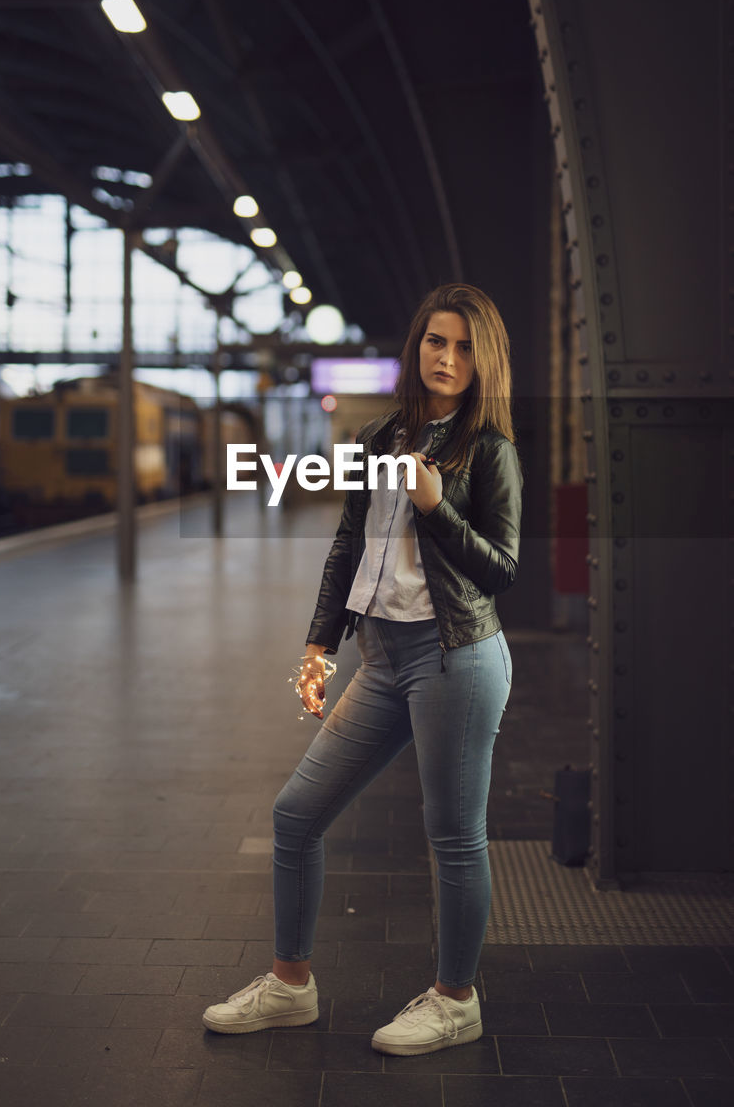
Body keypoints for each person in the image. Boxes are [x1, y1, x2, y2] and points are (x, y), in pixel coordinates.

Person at [202, 283, 523, 1057]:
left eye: (463, 346)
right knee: (295, 815)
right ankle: (289, 987)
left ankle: (455, 1000)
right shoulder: (380, 435)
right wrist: (320, 643)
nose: (446, 358)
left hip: (456, 658)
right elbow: (349, 548)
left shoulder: (490, 451)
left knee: (452, 837)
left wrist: (437, 506)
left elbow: (503, 569)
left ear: (485, 361)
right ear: (414, 349)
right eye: (434, 342)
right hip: (379, 658)